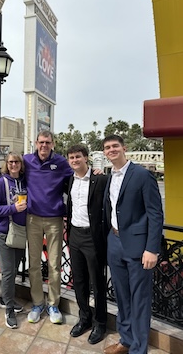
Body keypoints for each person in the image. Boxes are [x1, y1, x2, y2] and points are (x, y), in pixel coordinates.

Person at [102, 135, 164, 354]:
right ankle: (126, 341)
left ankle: (139, 349)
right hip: (115, 241)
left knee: (140, 300)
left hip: (139, 247)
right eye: (107, 147)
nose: (111, 150)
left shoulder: (142, 175)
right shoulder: (110, 176)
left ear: (123, 148)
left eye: (115, 146)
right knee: (122, 296)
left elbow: (155, 214)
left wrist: (151, 248)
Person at [24, 130, 73, 324]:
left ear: (53, 144)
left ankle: (53, 304)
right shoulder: (26, 160)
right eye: (41, 142)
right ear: (36, 143)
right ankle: (37, 303)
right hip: (32, 219)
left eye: (48, 142)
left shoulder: (61, 162)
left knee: (54, 265)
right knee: (34, 264)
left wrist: (94, 172)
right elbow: (10, 172)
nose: (44, 145)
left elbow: (77, 176)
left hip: (54, 219)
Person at [66, 144, 108, 344]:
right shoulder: (70, 181)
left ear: (86, 158)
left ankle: (100, 323)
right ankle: (85, 318)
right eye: (71, 158)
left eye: (78, 157)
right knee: (79, 281)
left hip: (92, 238)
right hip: (74, 235)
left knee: (97, 283)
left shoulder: (100, 179)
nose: (75, 160)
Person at [0, 152, 27, 329]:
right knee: (8, 272)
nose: (13, 164)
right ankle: (9, 310)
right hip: (3, 232)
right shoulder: (0, 183)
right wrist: (13, 209)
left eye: (17, 161)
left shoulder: (25, 182)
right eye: (10, 162)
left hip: (20, 232)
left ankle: (5, 297)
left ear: (21, 164)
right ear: (6, 164)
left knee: (13, 270)